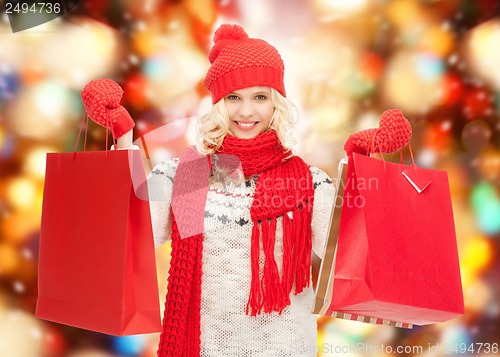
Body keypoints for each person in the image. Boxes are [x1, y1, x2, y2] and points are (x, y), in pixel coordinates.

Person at [82, 24, 335, 357]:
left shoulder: (312, 183)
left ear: (277, 103)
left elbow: (341, 257)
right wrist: (124, 143)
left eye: (260, 97)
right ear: (218, 103)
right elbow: (132, 235)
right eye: (234, 98)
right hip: (205, 347)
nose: (246, 112)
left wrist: (360, 171)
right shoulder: (185, 176)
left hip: (285, 346)